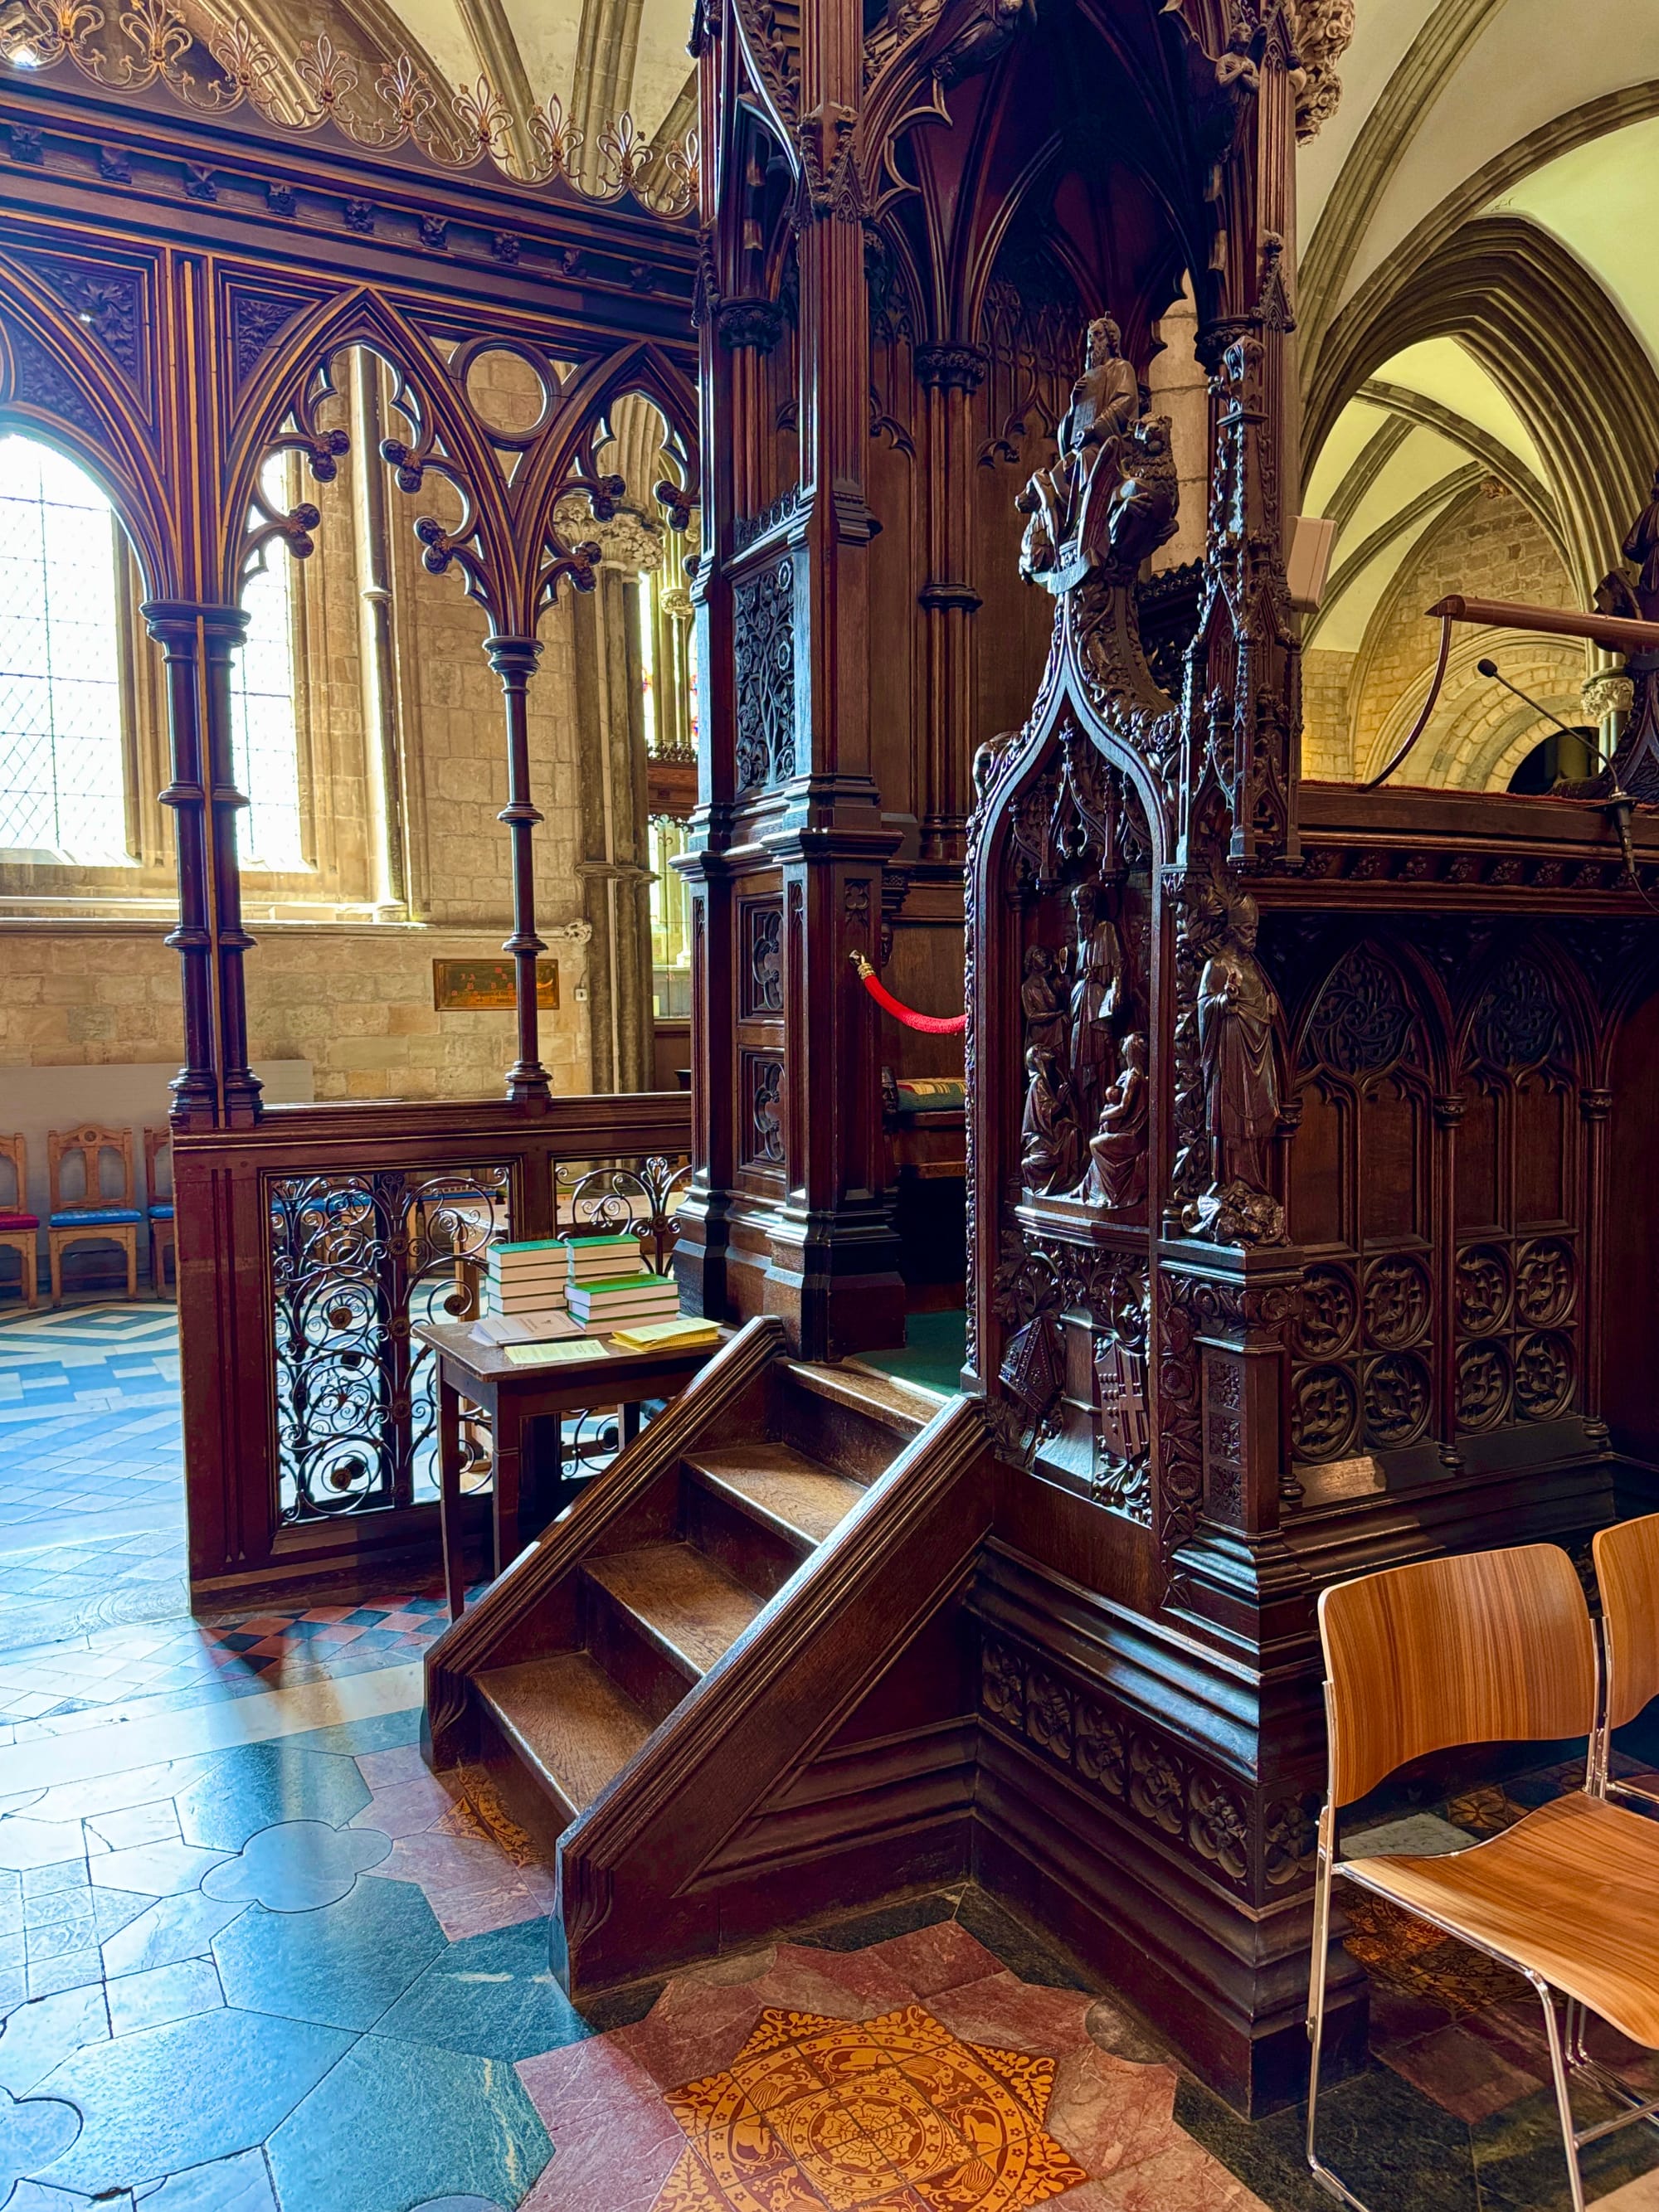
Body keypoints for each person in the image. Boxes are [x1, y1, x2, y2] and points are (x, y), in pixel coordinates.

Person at [1197, 896, 1280, 1193]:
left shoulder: (1254, 967)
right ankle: (1231, 1181)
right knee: (1232, 1116)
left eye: (1255, 929)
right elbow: (1204, 1009)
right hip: (1230, 1051)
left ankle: (1252, 1182)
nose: (1252, 935)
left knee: (1263, 1113)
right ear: (1232, 930)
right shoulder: (1217, 965)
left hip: (1257, 1050)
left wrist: (1267, 1013)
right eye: (1247, 929)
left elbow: (1254, 1008)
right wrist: (1224, 1000)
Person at [1087, 1033, 1148, 1208]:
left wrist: (1103, 1116)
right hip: (1130, 1131)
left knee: (1095, 1145)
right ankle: (1097, 1189)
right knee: (1100, 1140)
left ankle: (1111, 1194)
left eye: (1126, 1050)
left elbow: (1123, 1108)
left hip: (1133, 1136)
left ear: (1131, 1052)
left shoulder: (1134, 1076)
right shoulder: (1131, 1074)